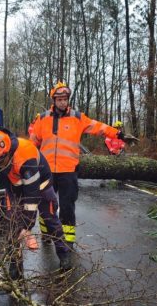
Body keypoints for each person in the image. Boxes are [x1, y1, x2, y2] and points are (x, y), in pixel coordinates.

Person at [29, 82, 127, 249]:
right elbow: (33, 143)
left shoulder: (77, 117)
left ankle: (68, 241)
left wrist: (116, 133)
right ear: (54, 100)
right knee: (47, 205)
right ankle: (46, 233)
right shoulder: (43, 118)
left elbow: (98, 127)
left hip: (68, 171)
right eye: (59, 99)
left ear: (68, 99)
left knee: (67, 207)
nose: (62, 102)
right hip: (47, 172)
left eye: (65, 99)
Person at [0, 129, 73, 280]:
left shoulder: (26, 156)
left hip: (41, 187)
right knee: (12, 226)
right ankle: (15, 266)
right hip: (14, 188)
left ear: (6, 154)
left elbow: (32, 195)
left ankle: (64, 254)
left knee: (51, 221)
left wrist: (27, 226)